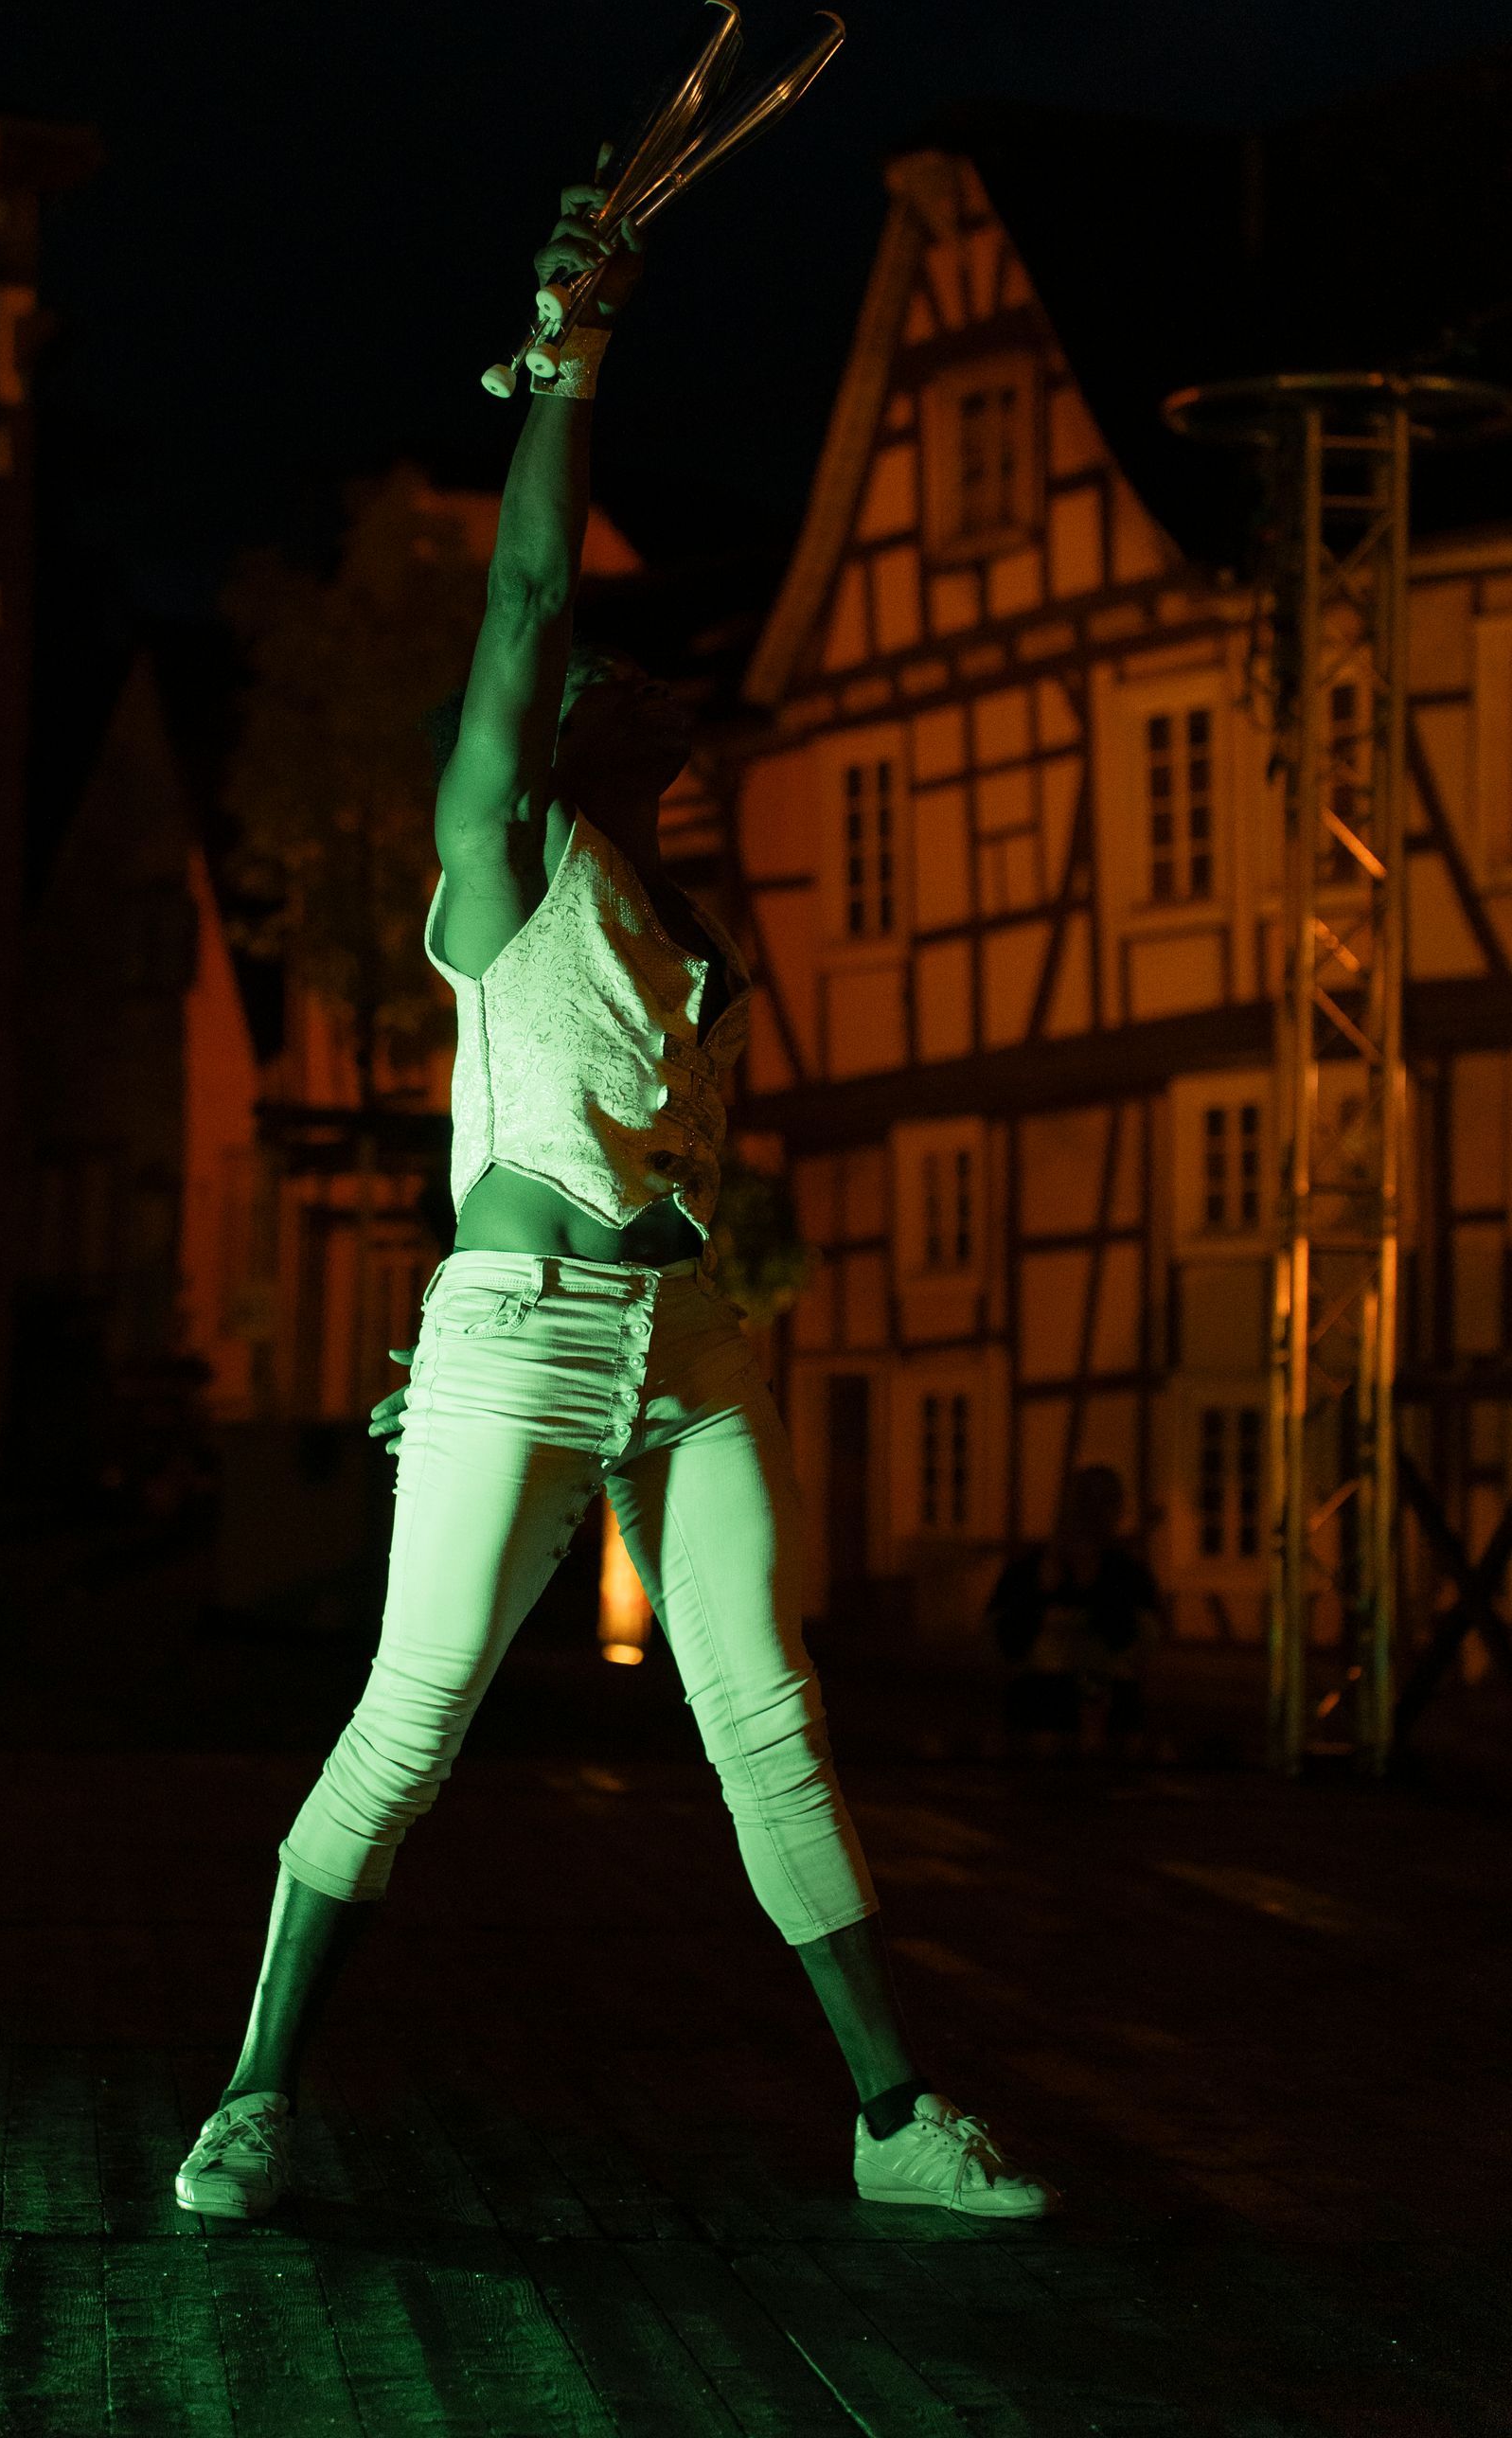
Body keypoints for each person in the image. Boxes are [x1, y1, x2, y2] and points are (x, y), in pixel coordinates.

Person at [174, 158, 1057, 2224]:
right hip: (528, 1335)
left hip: (692, 1341)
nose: (652, 681)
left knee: (770, 1717)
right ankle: (254, 2096)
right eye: (613, 677)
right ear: (550, 728)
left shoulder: (689, 926)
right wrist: (571, 358)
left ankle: (891, 2124)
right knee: (411, 1723)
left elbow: (609, 1140)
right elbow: (527, 598)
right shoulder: (504, 855)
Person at [987, 1465, 1162, 1762]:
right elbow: (1003, 1644)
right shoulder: (1029, 1570)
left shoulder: (1129, 1575)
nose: (1092, 1513)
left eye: (1104, 1501)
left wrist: (1093, 1590)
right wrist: (1040, 1593)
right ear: (1068, 1506)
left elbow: (1134, 1645)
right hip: (1038, 1706)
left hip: (1111, 1710)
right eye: (1084, 1500)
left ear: (1118, 1509)